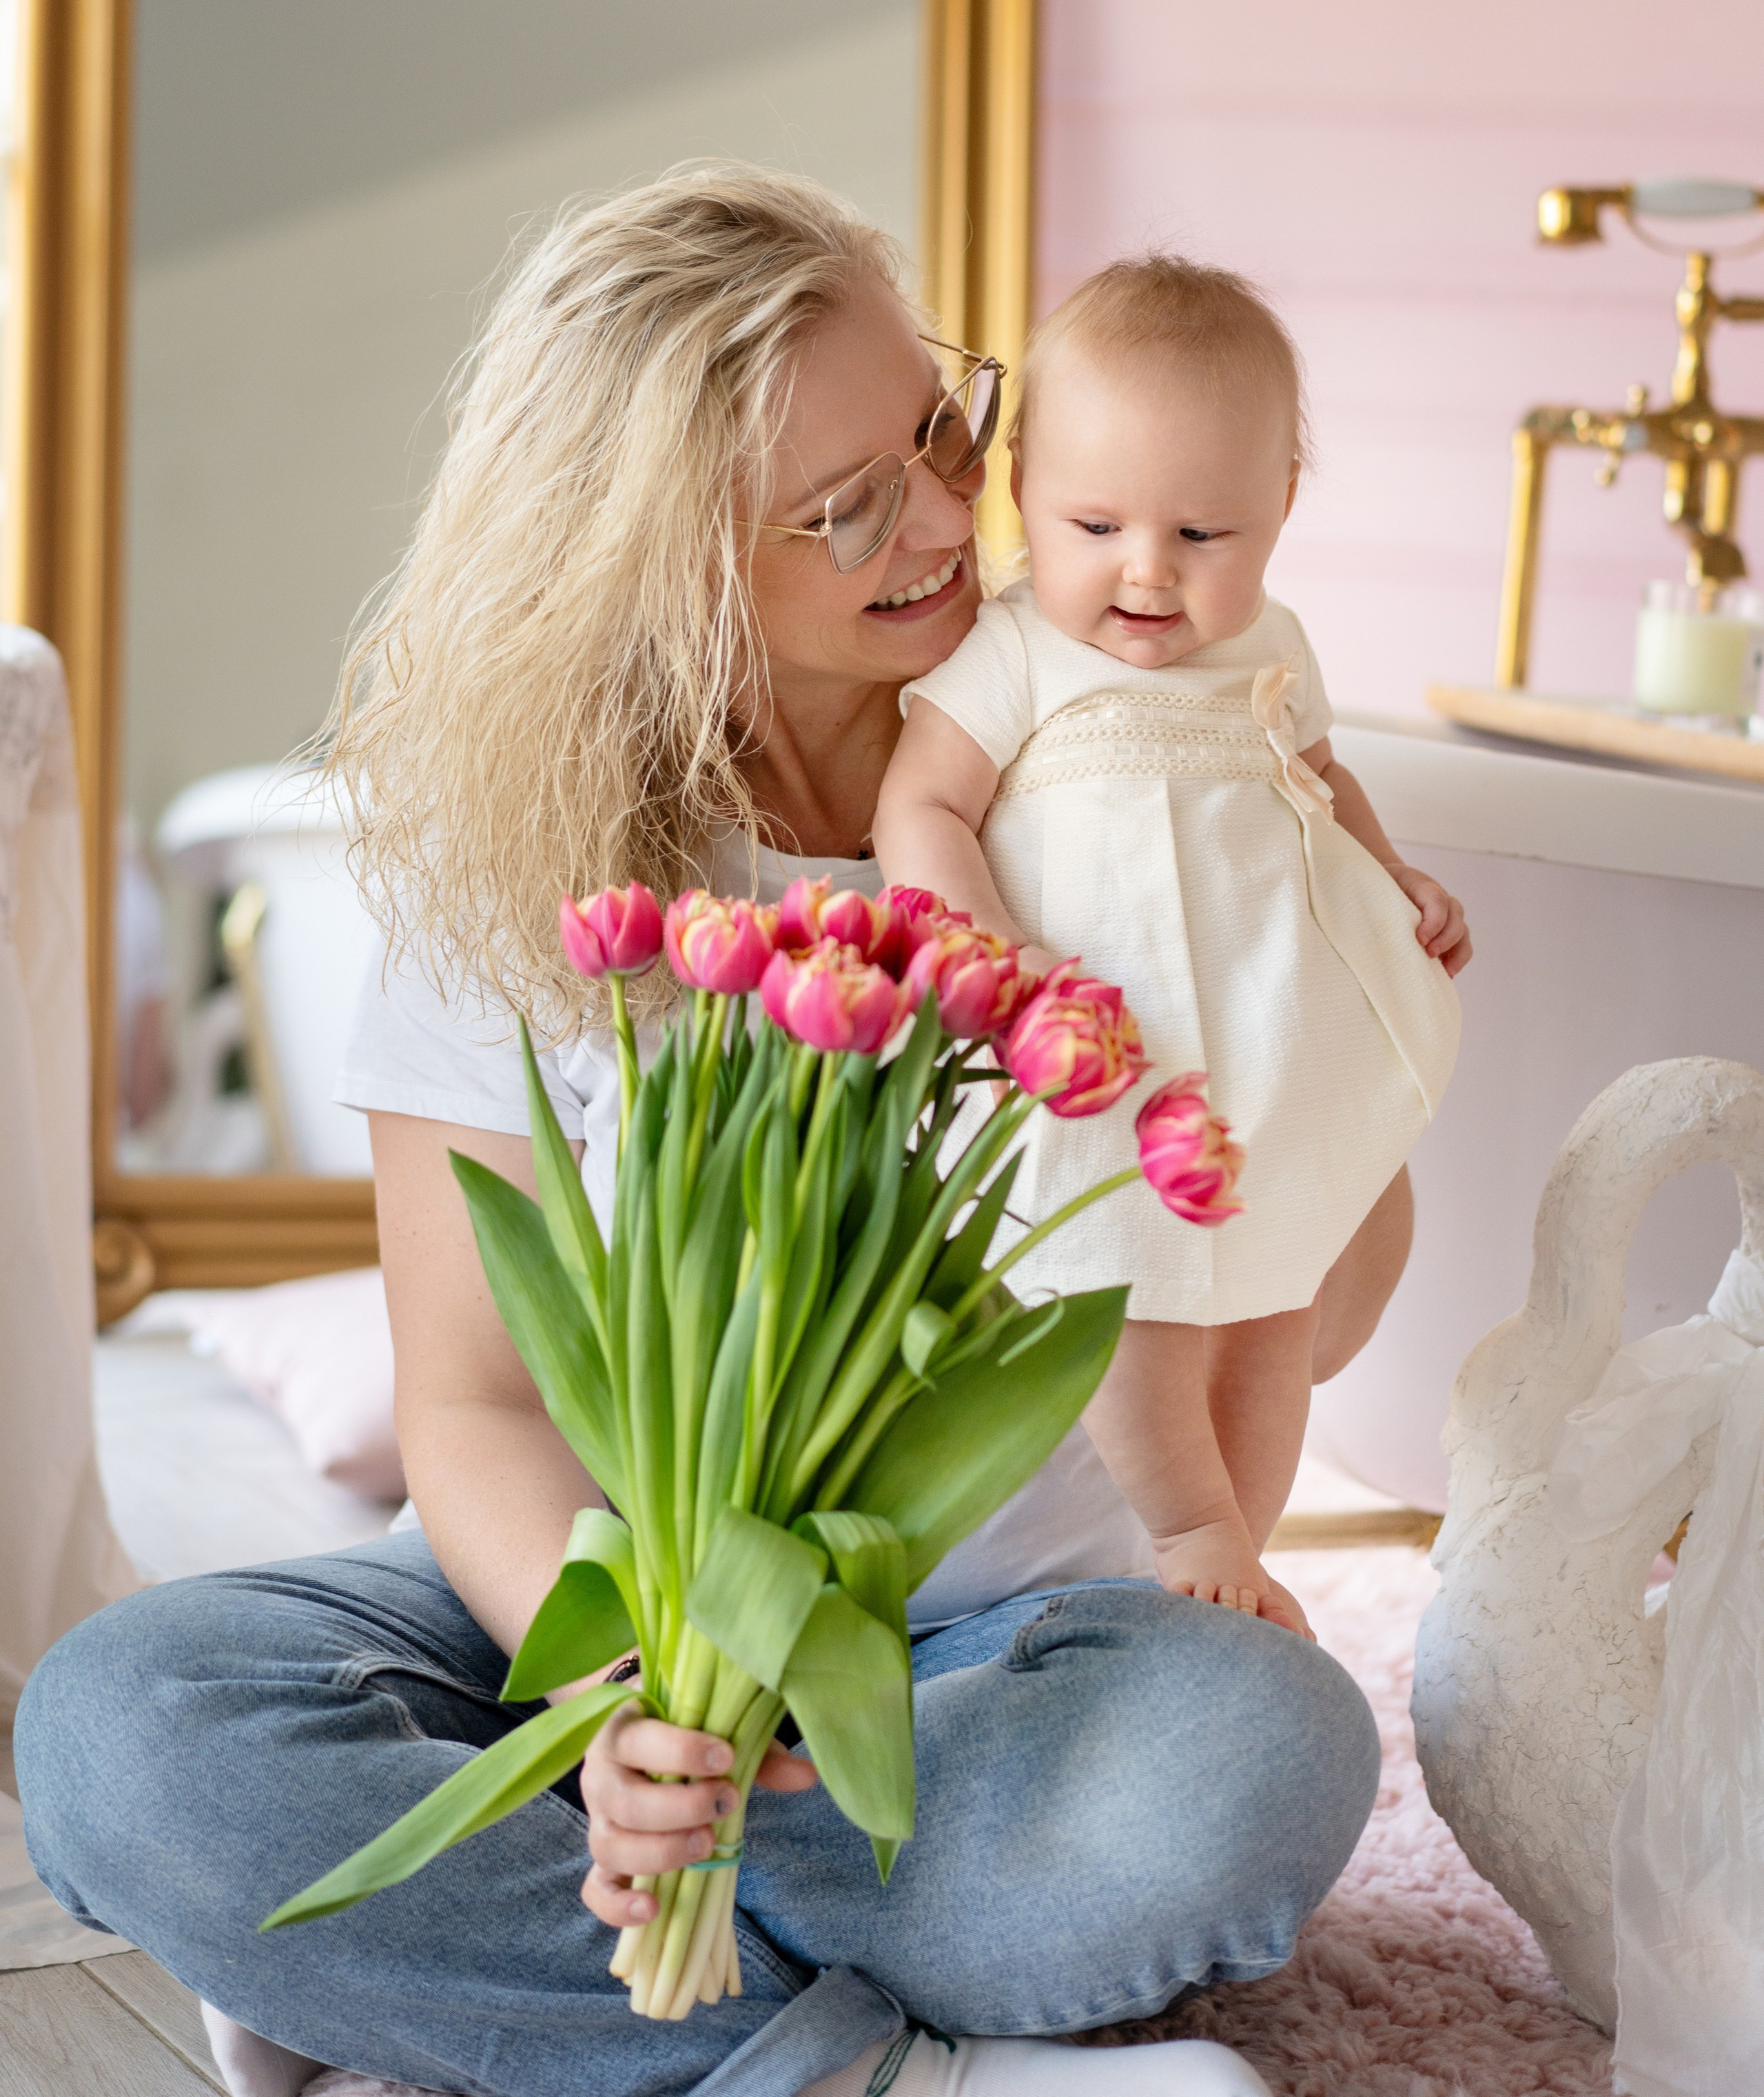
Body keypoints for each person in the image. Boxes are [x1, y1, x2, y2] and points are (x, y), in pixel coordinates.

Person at [18, 174, 1379, 2097]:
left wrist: (1310, 1129)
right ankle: (879, 2070)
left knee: (1258, 1754)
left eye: (941, 430)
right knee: (117, 1723)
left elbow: (1317, 1280)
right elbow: (476, 1405)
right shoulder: (516, 861)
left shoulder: (1115, 756)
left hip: (1007, 1645)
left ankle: (445, 1964)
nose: (947, 519)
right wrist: (616, 1717)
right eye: (845, 507)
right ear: (654, 560)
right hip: (586, 1608)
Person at [874, 256, 1470, 1641]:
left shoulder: (1272, 644)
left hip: (1268, 1042)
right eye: (1095, 524)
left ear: (1281, 506)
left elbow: (1317, 780)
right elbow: (920, 806)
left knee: (1271, 1301)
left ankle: (1241, 1549)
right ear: (1021, 485)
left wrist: (1395, 880)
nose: (1146, 570)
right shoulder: (1016, 651)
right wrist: (989, 961)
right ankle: (1187, 1520)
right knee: (1124, 1288)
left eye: (1203, 532)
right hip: (1101, 1050)